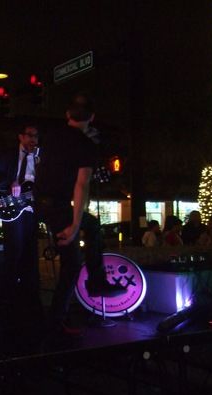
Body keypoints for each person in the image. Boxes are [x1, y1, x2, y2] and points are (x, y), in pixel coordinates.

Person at [33, 96, 97, 336]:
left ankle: (97, 280)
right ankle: (55, 322)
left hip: (41, 202)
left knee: (92, 226)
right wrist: (75, 224)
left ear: (67, 115)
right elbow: (82, 185)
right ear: (92, 117)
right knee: (72, 263)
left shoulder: (52, 135)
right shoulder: (86, 144)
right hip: (58, 206)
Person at [0, 121, 42, 328]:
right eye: (29, 135)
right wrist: (9, 183)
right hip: (13, 207)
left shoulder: (41, 157)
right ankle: (9, 297)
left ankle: (30, 298)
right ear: (20, 136)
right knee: (15, 250)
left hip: (33, 209)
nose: (33, 139)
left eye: (36, 136)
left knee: (31, 252)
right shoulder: (9, 155)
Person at [73, 94, 127, 298]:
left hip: (60, 203)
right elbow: (81, 182)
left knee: (74, 257)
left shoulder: (66, 140)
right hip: (61, 204)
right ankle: (96, 282)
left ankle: (93, 282)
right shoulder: (81, 143)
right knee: (92, 228)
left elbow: (87, 179)